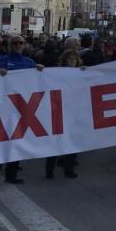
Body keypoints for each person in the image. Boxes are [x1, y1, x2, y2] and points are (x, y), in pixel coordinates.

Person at [0, 36, 42, 186]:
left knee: (16, 142)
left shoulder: (29, 62)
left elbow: (38, 81)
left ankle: (11, 174)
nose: (18, 45)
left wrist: (40, 71)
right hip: (3, 107)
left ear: (25, 45)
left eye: (21, 43)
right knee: (0, 142)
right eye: (15, 43)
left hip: (21, 108)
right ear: (10, 45)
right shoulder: (1, 60)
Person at [46, 49, 82, 178]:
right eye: (69, 58)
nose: (72, 60)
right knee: (56, 141)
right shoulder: (56, 73)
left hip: (74, 112)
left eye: (74, 58)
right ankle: (49, 169)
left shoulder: (81, 73)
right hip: (58, 111)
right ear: (64, 60)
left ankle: (69, 168)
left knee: (73, 142)